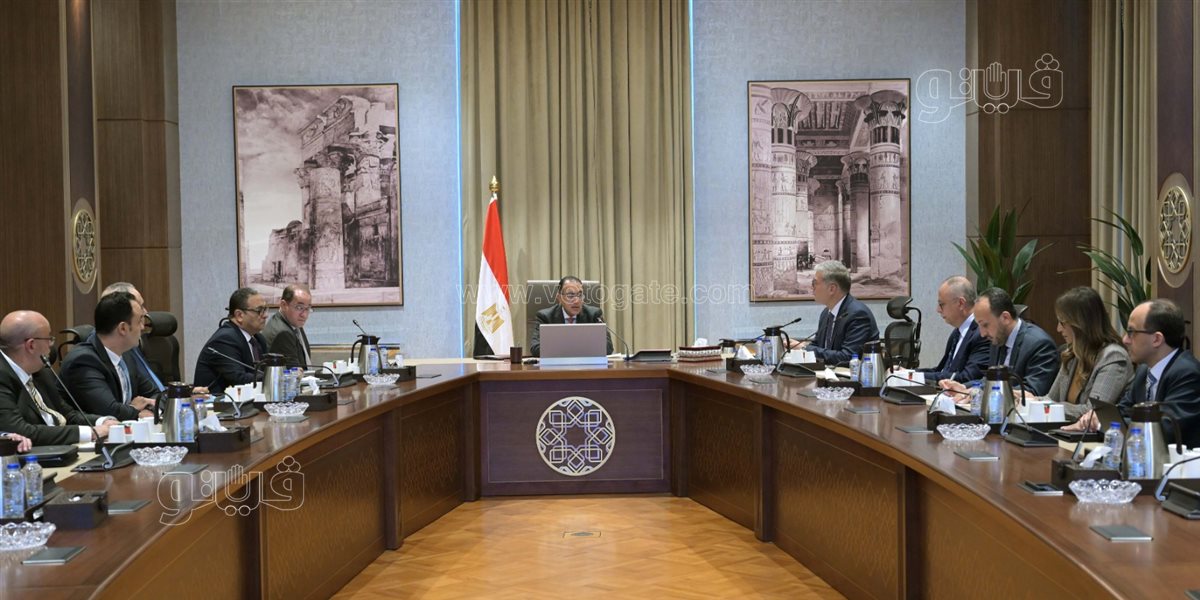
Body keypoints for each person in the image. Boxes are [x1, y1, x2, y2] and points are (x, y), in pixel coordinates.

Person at [1066, 299, 1200, 445]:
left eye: (1131, 332)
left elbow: (1165, 429)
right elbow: (1123, 411)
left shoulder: (1187, 373)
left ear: (1156, 339)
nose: (1125, 340)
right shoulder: (1144, 370)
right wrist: (1096, 417)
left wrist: (1102, 425)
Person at [0, 310, 116, 445]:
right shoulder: (2, 378)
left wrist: (102, 421)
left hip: (63, 448)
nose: (51, 344)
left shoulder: (42, 372)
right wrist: (91, 433)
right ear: (31, 345)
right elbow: (21, 431)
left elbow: (67, 414)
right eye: (48, 338)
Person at [1030, 287, 1132, 421]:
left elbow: (1093, 411)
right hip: (1065, 430)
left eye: (1063, 322)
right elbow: (1051, 399)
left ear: (1081, 324)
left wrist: (1046, 406)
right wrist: (1028, 400)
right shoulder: (1072, 354)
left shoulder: (1113, 357)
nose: (1058, 329)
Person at [939, 287, 1059, 396]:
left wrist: (979, 392)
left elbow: (1032, 391)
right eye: (979, 326)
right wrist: (964, 388)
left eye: (985, 325)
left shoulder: (1040, 345)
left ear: (1005, 318)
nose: (982, 334)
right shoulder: (998, 338)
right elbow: (990, 380)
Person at [59, 292, 159, 420]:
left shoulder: (126, 355)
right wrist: (134, 410)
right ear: (123, 328)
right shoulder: (83, 362)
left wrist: (149, 409)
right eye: (139, 321)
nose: (143, 327)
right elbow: (109, 411)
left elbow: (156, 394)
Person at [102, 282, 207, 395]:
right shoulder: (114, 352)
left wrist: (185, 391)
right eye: (140, 306)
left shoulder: (133, 344)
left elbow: (153, 389)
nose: (145, 312)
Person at [797, 260, 879, 366]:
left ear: (832, 289)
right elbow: (818, 344)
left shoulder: (858, 314)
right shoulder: (826, 313)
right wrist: (799, 347)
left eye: (815, 283)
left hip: (854, 375)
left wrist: (805, 348)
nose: (812, 287)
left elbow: (847, 357)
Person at [193, 288, 270, 393]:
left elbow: (263, 371)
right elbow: (239, 379)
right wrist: (272, 378)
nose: (265, 315)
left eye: (265, 309)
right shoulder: (225, 339)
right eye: (259, 311)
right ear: (239, 315)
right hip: (216, 401)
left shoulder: (258, 339)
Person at [917, 276, 990, 383]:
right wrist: (907, 374)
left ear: (961, 303)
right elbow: (941, 371)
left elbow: (967, 378)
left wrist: (913, 377)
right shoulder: (957, 333)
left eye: (941, 304)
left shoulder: (982, 334)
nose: (938, 310)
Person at [529, 276, 613, 357]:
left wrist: (564, 349)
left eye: (580, 295)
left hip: (586, 365)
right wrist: (578, 348)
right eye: (570, 295)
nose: (576, 301)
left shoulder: (594, 315)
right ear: (559, 298)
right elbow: (535, 348)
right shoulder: (545, 317)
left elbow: (608, 347)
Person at [263, 284, 314, 367]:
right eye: (299, 307)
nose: (304, 315)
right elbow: (294, 371)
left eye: (307, 308)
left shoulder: (294, 323)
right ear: (284, 305)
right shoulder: (282, 333)